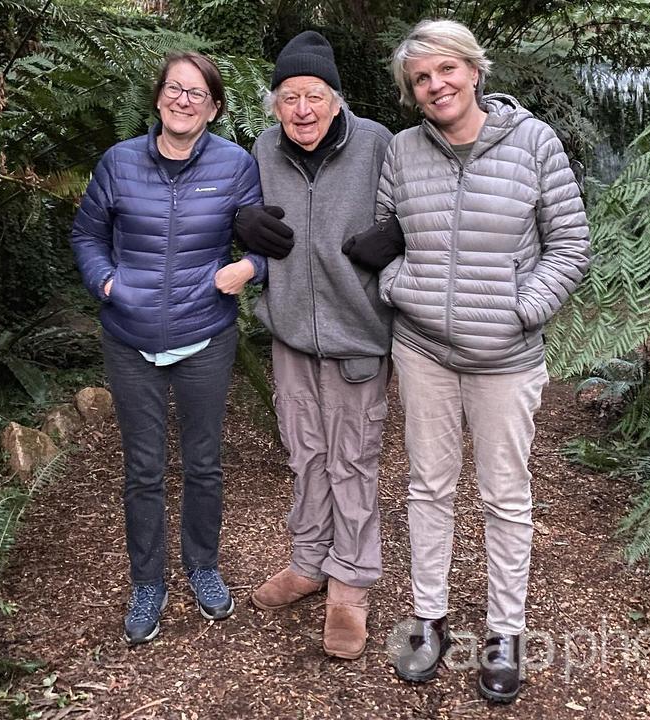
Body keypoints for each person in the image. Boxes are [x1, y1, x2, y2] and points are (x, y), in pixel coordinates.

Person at [367, 19, 592, 702]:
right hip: (424, 350)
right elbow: (386, 235)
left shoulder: (533, 142)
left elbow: (571, 245)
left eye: (446, 70)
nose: (436, 86)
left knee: (504, 496)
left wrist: (522, 308)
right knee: (429, 488)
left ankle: (504, 634)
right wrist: (398, 288)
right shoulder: (403, 151)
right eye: (422, 79)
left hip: (507, 358)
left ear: (474, 69)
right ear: (413, 92)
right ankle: (429, 619)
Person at [69, 51, 267, 646]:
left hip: (205, 334)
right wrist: (107, 282)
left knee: (204, 464)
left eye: (197, 93)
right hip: (130, 339)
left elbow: (268, 239)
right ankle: (147, 582)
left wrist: (248, 267)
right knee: (144, 469)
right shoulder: (118, 162)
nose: (184, 100)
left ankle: (203, 567)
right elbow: (87, 234)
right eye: (175, 89)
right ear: (158, 98)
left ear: (214, 108)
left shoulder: (235, 166)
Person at [231, 30, 395, 660]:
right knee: (305, 454)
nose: (302, 109)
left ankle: (350, 582)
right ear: (274, 103)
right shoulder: (264, 149)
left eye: (314, 95)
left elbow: (423, 207)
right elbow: (248, 216)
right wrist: (238, 221)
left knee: (351, 460)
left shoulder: (376, 143)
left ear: (336, 98)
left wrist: (397, 234)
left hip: (358, 334)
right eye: (289, 97)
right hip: (292, 333)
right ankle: (308, 562)